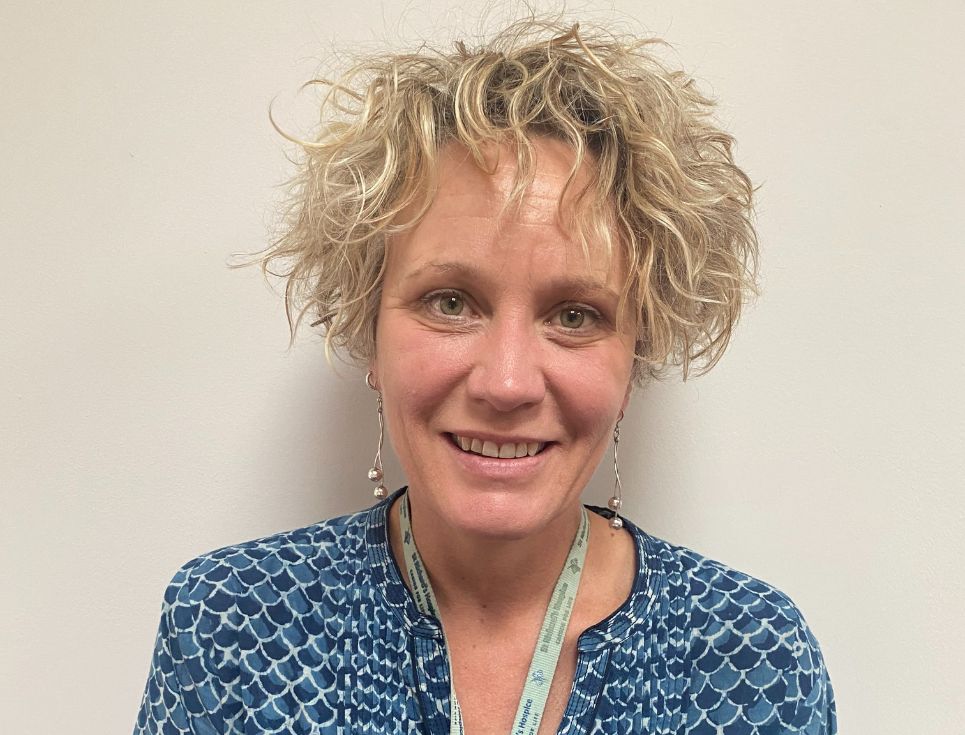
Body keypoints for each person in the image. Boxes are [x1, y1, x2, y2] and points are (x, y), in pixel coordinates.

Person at [133, 17, 836, 735]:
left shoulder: (745, 659)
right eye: (450, 302)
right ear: (367, 330)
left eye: (574, 314)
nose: (506, 383)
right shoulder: (235, 629)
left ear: (635, 356)